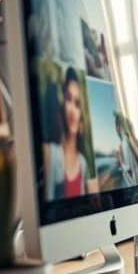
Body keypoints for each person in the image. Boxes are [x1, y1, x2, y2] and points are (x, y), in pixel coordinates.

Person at [43, 67, 99, 200]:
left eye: (78, 104)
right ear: (63, 104)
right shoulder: (49, 153)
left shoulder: (83, 163)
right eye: (69, 99)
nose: (72, 110)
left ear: (82, 119)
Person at [115, 114, 138, 187]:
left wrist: (120, 160)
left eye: (116, 126)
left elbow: (127, 168)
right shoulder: (125, 142)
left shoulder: (124, 142)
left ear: (119, 127)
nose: (116, 130)